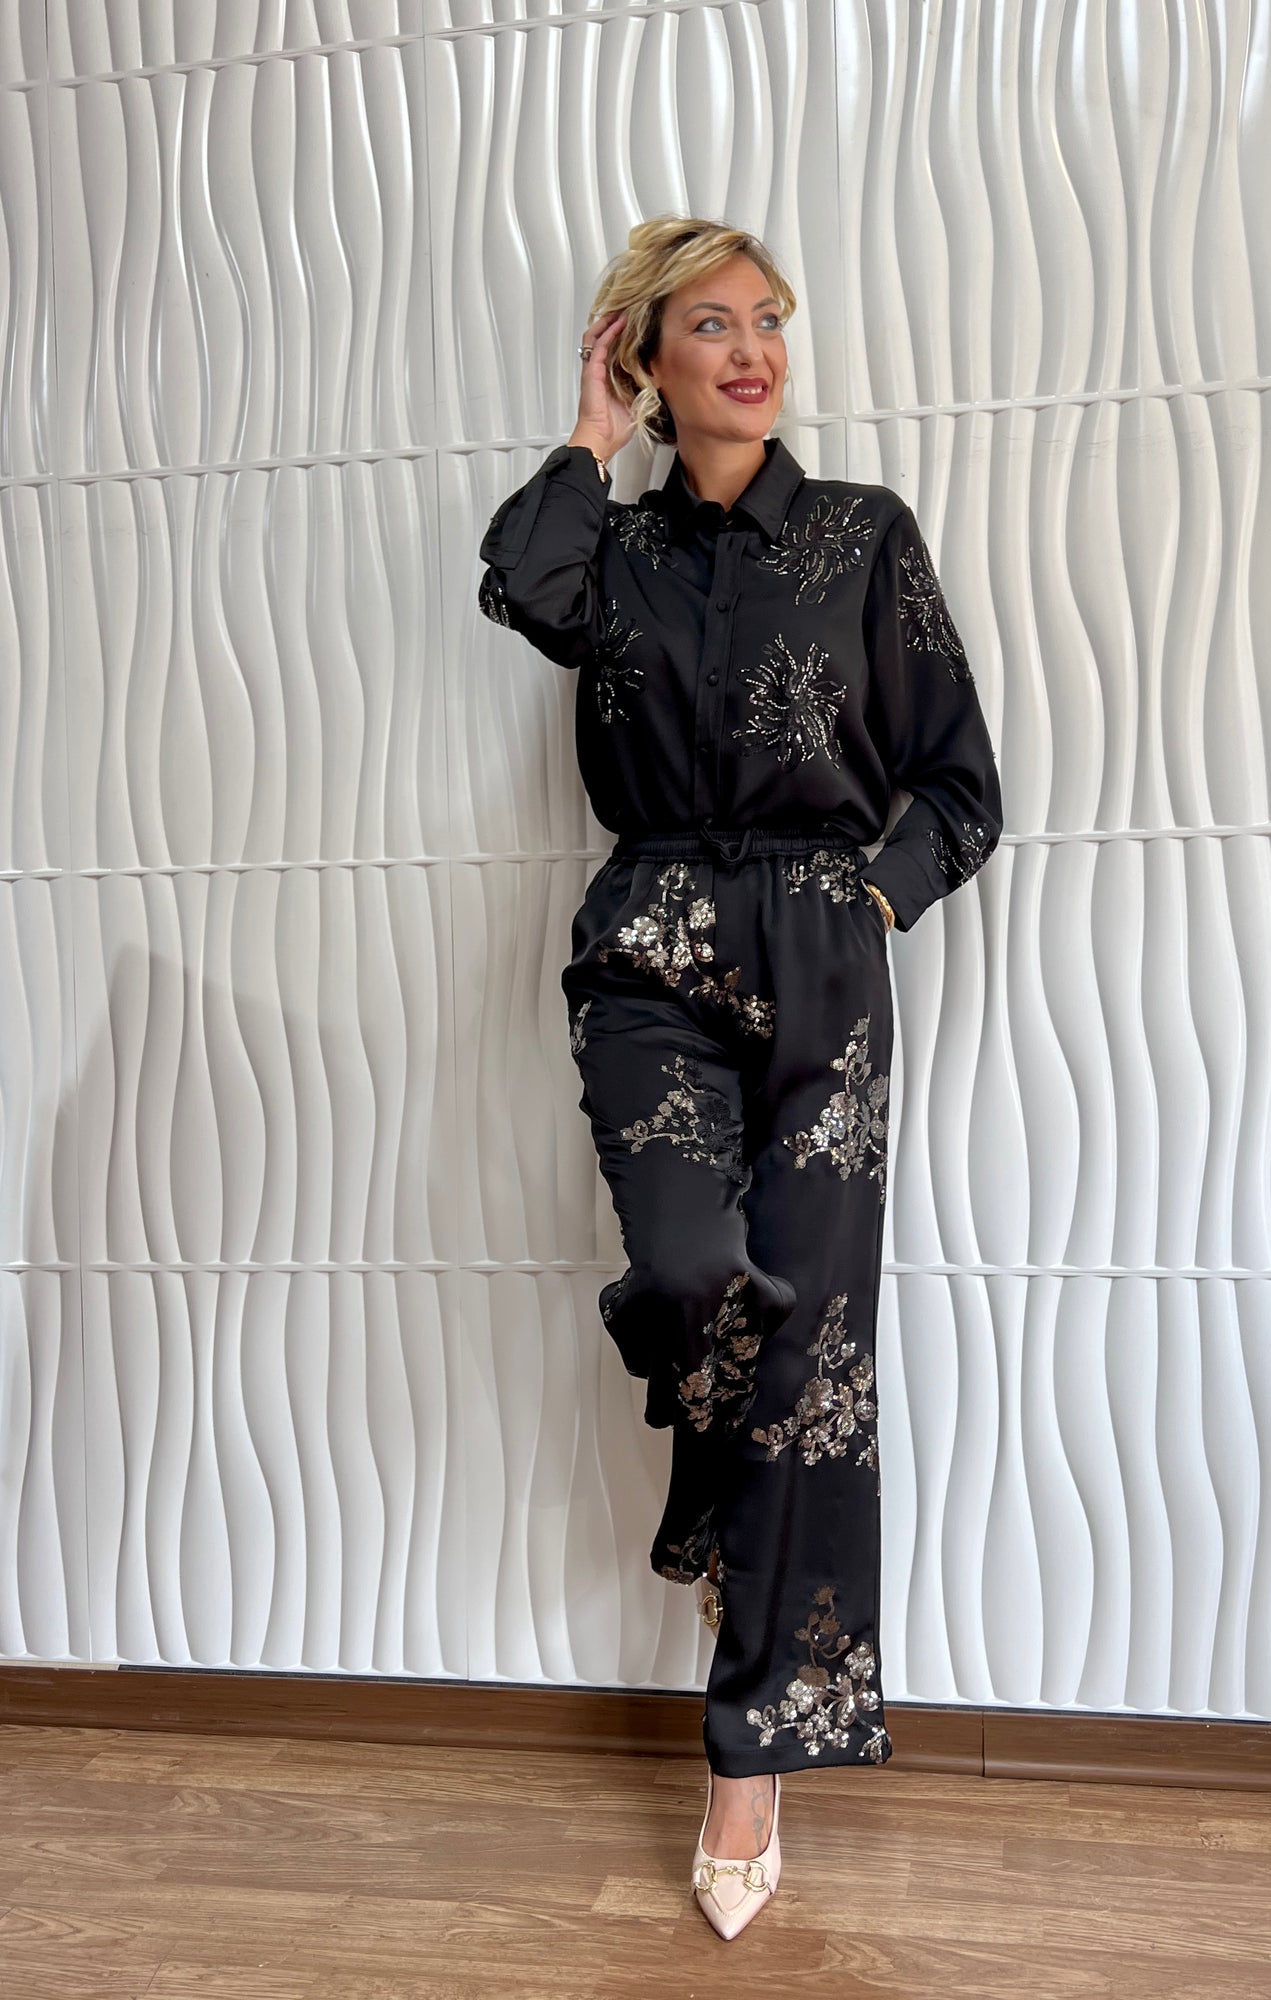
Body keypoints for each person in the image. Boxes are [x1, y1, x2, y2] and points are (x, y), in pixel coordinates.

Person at [478, 215, 1002, 1940]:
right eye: (710, 324)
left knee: (811, 1361)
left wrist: (870, 897)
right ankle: (710, 1491)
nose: (755, 348)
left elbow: (960, 790)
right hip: (651, 960)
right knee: (693, 1272)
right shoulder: (613, 551)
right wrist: (588, 430)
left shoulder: (862, 536)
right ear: (647, 354)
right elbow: (523, 585)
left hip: (822, 964)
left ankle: (749, 1758)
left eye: (769, 318)